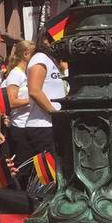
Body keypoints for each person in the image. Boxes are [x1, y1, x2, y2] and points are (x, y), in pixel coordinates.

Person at [24, 28, 67, 157]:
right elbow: (34, 91)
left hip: (52, 124)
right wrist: (54, 113)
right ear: (45, 40)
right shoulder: (39, 59)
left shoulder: (50, 60)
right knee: (49, 168)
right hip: (42, 126)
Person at [2, 40, 37, 167]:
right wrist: (35, 99)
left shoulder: (28, 73)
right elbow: (11, 102)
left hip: (30, 124)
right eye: (35, 54)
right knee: (23, 165)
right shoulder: (15, 74)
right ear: (26, 54)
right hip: (20, 126)